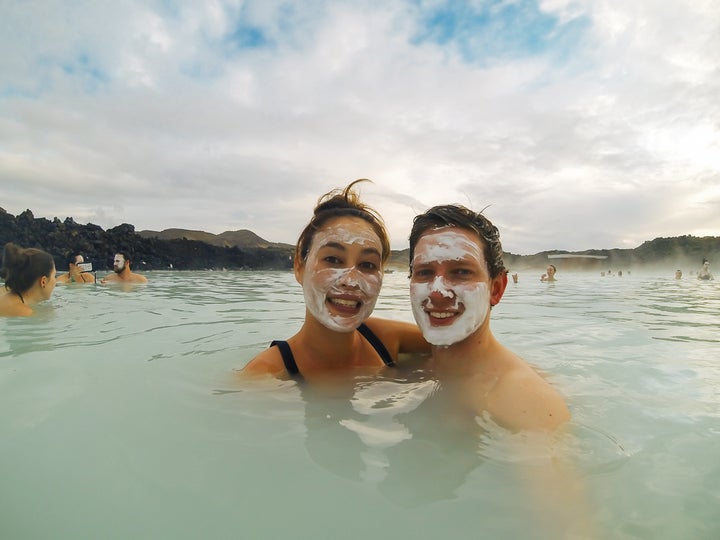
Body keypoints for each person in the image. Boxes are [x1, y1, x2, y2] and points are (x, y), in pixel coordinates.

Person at [241, 179, 428, 381]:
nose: (350, 280)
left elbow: (461, 341)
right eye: (333, 259)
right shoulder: (264, 375)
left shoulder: (383, 337)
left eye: (368, 265)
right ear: (299, 267)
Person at [408, 205, 570, 432]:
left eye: (461, 272)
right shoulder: (410, 359)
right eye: (424, 272)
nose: (438, 292)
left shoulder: (525, 405)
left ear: (496, 288)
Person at [0, 242, 57, 317]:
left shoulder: (4, 293)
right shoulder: (24, 312)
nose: (55, 281)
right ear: (43, 281)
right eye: (54, 276)